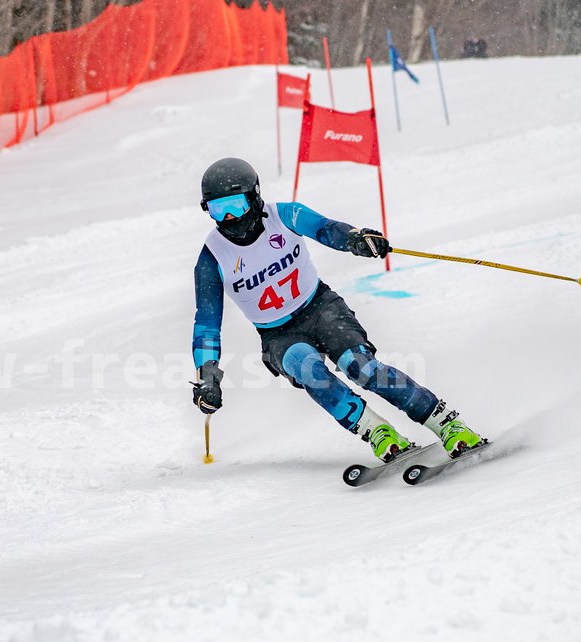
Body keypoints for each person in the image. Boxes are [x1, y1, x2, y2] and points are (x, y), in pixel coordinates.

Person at [190, 157, 483, 462]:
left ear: (255, 195)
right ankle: (378, 432)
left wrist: (356, 239)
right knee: (308, 370)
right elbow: (207, 325)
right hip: (277, 334)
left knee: (361, 367)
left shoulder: (286, 215)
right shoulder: (212, 259)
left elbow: (326, 229)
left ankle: (447, 423)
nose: (229, 218)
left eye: (235, 205)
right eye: (216, 209)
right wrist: (207, 375)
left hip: (320, 308)